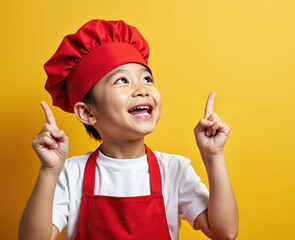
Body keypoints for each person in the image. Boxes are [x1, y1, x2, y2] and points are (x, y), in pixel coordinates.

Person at [19, 19, 238, 240]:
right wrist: (49, 171)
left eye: (147, 78)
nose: (141, 89)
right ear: (87, 113)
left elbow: (224, 232)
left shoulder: (174, 170)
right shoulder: (71, 173)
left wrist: (214, 157)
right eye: (122, 80)